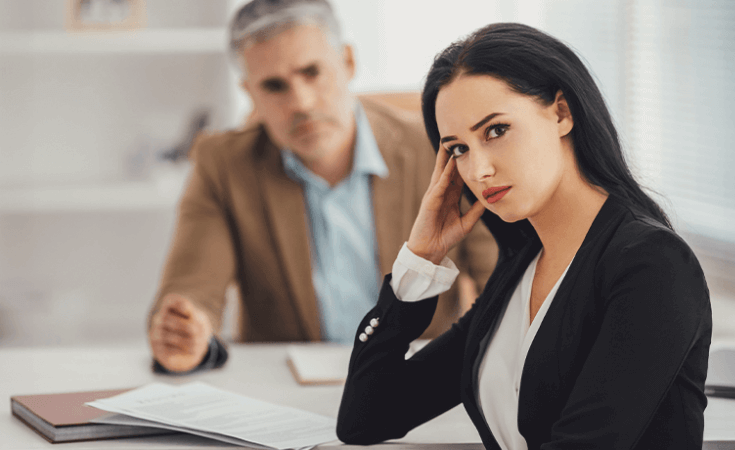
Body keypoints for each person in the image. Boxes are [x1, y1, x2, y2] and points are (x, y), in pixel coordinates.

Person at [336, 23, 712, 450]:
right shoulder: (521, 266)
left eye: (495, 130)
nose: (478, 171)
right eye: (458, 148)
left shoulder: (651, 265)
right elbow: (365, 418)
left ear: (562, 112)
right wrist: (421, 258)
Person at [146, 0, 497, 374]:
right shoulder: (224, 164)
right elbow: (192, 289)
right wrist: (187, 329)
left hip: (419, 378)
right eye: (274, 85)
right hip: (284, 391)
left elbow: (503, 278)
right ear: (250, 92)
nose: (301, 102)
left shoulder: (438, 147)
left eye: (312, 72)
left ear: (347, 62)